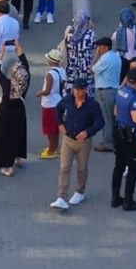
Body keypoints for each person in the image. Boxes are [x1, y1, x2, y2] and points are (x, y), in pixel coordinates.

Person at [51, 75, 104, 208]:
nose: (76, 92)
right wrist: (60, 124)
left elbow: (100, 123)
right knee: (64, 167)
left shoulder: (93, 105)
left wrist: (88, 132)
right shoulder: (68, 100)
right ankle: (61, 196)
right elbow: (58, 108)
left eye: (79, 89)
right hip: (68, 139)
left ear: (85, 90)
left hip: (83, 142)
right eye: (75, 89)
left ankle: (80, 191)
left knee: (81, 168)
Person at [111, 67, 136, 212]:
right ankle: (128, 200)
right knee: (133, 167)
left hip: (118, 131)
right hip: (130, 135)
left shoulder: (121, 91)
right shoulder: (134, 96)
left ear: (128, 79)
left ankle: (115, 197)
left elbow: (116, 110)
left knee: (119, 165)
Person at [0, 45, 30, 177]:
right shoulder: (25, 81)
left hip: (6, 113)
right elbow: (26, 65)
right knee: (18, 134)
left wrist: (1, 54)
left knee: (5, 138)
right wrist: (19, 48)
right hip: (19, 111)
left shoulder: (8, 84)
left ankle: (7, 166)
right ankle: (18, 157)